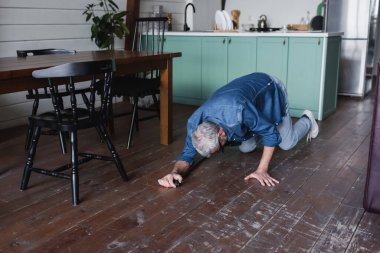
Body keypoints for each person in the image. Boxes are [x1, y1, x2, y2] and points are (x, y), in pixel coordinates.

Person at [158, 72, 319, 188]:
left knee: (286, 143)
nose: (219, 151)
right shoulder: (195, 124)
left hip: (271, 90)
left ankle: (308, 120)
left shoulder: (238, 111)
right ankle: (259, 125)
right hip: (248, 105)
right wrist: (174, 172)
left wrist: (261, 170)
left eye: (219, 148)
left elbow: (270, 133)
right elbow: (187, 155)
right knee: (246, 147)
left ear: (221, 133)